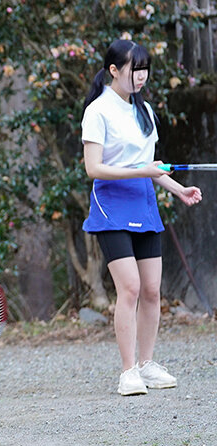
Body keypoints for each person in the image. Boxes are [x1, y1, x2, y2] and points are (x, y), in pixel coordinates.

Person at [81, 39, 202, 396]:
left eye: (145, 69)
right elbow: (93, 168)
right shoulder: (98, 111)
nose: (141, 76)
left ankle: (147, 364)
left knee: (151, 290)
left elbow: (151, 167)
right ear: (113, 70)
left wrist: (178, 189)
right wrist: (142, 171)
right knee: (130, 288)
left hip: (143, 203)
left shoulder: (144, 111)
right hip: (111, 205)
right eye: (135, 69)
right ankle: (128, 371)